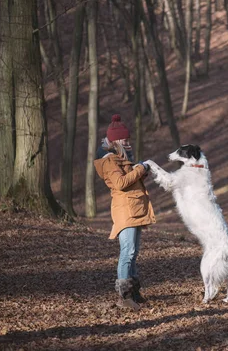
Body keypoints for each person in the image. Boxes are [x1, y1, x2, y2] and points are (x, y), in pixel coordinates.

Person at [94, 114, 156, 311]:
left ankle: (134, 293)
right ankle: (124, 296)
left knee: (133, 253)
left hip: (133, 208)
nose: (127, 142)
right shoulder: (109, 160)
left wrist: (141, 171)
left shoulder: (120, 157)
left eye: (128, 139)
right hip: (124, 210)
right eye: (124, 140)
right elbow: (120, 183)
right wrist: (139, 168)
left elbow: (129, 180)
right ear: (114, 141)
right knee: (127, 253)